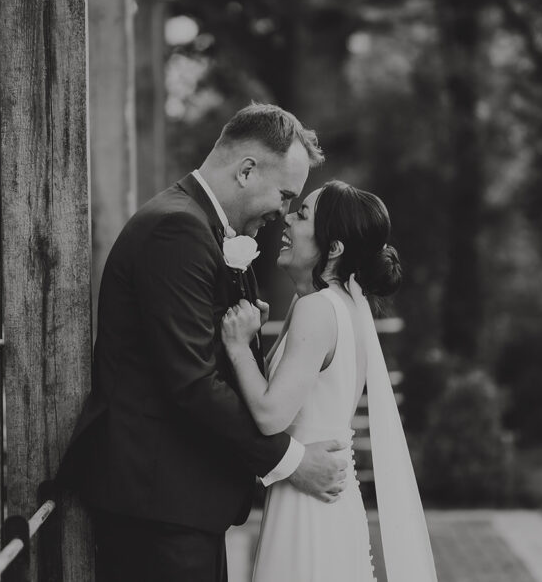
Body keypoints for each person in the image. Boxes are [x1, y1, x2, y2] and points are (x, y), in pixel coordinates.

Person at [57, 104, 350, 582]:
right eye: (284, 195)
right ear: (246, 170)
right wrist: (291, 461)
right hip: (157, 507)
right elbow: (192, 381)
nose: (283, 212)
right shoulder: (176, 230)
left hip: (180, 504)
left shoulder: (199, 226)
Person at [221, 180, 438, 582]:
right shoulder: (335, 305)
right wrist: (253, 340)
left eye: (303, 215)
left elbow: (269, 414)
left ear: (334, 248)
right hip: (324, 496)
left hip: (307, 506)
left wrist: (236, 348)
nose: (287, 219)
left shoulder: (318, 309)